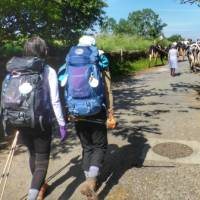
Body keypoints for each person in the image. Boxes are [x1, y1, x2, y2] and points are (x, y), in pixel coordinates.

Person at [59, 35, 115, 200]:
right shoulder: (99, 59)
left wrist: (68, 112)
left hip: (76, 110)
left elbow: (64, 87)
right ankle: (91, 182)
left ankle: (89, 182)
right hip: (96, 109)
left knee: (87, 147)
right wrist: (111, 112)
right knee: (100, 146)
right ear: (93, 46)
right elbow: (108, 89)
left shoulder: (70, 61)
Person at [18, 36, 67, 200]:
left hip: (21, 120)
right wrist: (62, 124)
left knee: (32, 155)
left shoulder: (16, 70)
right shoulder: (47, 70)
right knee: (42, 159)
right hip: (41, 122)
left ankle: (40, 187)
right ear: (43, 51)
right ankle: (34, 195)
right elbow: (55, 100)